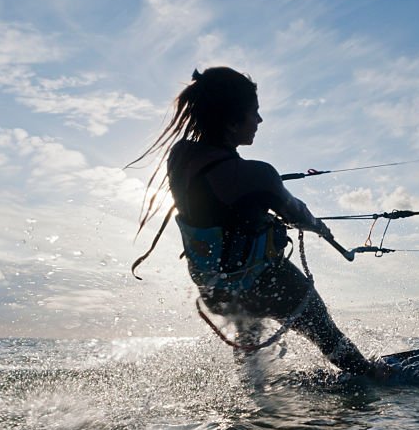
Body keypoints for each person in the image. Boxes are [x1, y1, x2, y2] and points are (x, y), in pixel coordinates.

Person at [130, 66, 379, 377]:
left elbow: (222, 205)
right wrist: (318, 226)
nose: (259, 121)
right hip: (262, 282)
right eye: (254, 113)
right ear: (232, 122)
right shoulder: (257, 175)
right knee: (321, 325)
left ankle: (254, 394)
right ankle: (369, 376)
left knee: (247, 325)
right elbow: (297, 213)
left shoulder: (180, 156)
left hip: (215, 290)